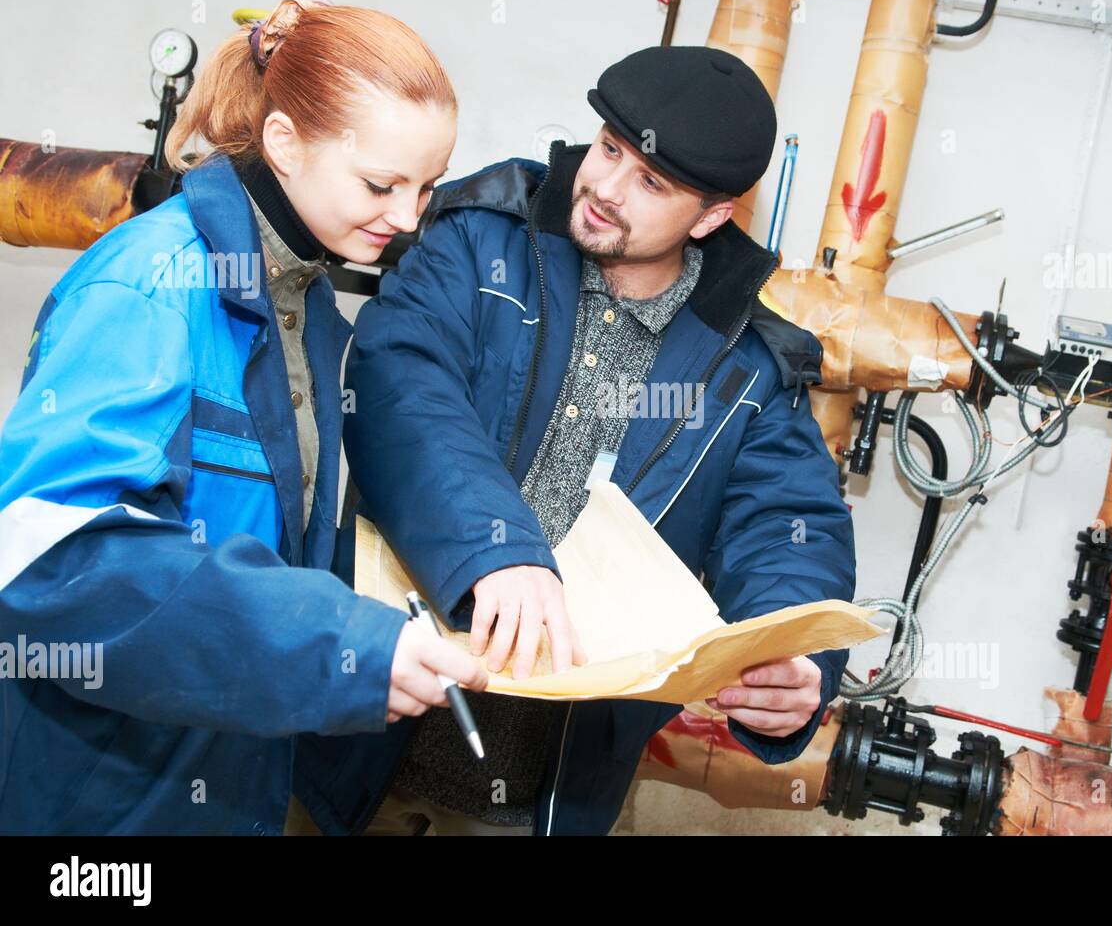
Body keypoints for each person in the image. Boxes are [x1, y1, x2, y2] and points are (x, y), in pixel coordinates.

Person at [292, 45, 856, 837]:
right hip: (351, 747)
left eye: (650, 183)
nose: (605, 189)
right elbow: (399, 384)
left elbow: (788, 526)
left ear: (711, 216)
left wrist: (796, 663)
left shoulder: (749, 370)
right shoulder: (481, 239)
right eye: (609, 149)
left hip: (542, 801)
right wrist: (497, 548)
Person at [0, 0, 485, 835]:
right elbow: (51, 563)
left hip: (221, 770)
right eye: (382, 184)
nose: (408, 219)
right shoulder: (150, 286)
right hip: (100, 798)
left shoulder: (301, 299)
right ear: (285, 143)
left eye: (427, 188)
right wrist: (340, 644)